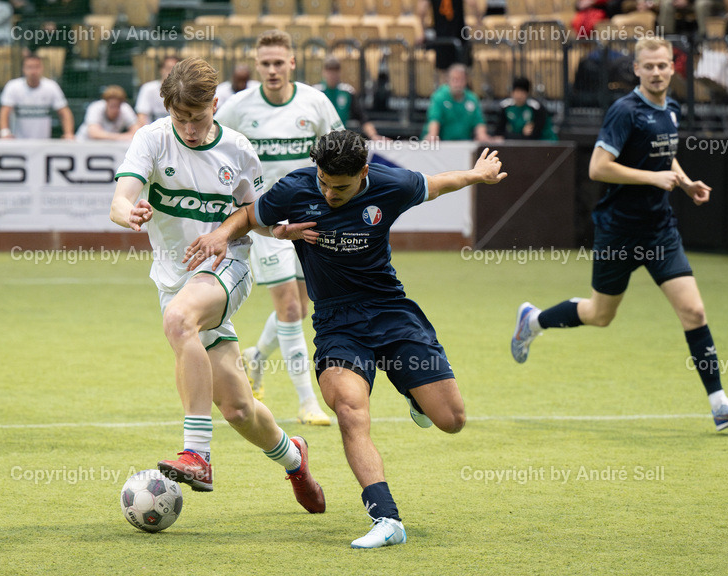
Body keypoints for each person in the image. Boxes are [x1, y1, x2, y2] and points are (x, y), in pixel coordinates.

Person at [184, 130, 507, 548]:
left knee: (451, 420)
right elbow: (248, 216)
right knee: (351, 411)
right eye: (323, 182)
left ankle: (415, 395)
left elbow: (438, 183)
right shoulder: (297, 188)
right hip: (337, 324)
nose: (330, 193)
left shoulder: (393, 185)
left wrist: (477, 174)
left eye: (341, 187)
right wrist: (227, 235)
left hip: (391, 311)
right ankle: (386, 519)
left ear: (364, 174)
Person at [109, 56, 325, 513]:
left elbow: (256, 216)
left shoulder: (239, 150)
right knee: (238, 410)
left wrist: (281, 229)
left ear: (215, 105)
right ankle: (294, 457)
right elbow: (121, 196)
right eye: (180, 118)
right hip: (175, 279)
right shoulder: (151, 139)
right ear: (167, 109)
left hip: (230, 266)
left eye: (198, 117)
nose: (189, 128)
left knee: (179, 319)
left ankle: (198, 455)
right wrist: (128, 212)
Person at [510, 37, 728, 432]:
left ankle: (720, 405)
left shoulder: (671, 109)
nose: (657, 72)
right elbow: (598, 167)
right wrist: (653, 177)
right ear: (638, 71)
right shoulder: (624, 111)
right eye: (650, 67)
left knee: (693, 311)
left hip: (660, 230)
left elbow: (662, 153)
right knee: (599, 314)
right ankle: (534, 321)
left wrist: (684, 181)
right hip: (619, 231)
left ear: (672, 68)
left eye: (663, 65)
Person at [216, 29, 343, 426]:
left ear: (291, 63)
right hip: (264, 220)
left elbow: (338, 152)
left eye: (278, 63)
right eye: (265, 64)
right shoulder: (237, 108)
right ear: (256, 66)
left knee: (301, 307)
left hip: (311, 218)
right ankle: (308, 403)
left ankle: (256, 357)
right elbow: (211, 147)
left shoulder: (315, 102)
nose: (272, 70)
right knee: (288, 307)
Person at [0, 54, 74, 139]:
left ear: (42, 68)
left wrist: (68, 133)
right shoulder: (13, 86)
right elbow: (4, 112)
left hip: (44, 143)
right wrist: (4, 132)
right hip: (18, 143)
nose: (33, 71)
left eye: (37, 67)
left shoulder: (51, 86)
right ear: (23, 69)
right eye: (29, 67)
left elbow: (64, 112)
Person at [313, 56, 383, 141]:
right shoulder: (315, 92)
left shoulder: (347, 92)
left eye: (336, 71)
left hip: (339, 140)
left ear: (340, 72)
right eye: (329, 71)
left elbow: (362, 118)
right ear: (324, 72)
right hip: (318, 140)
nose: (332, 74)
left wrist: (374, 136)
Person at [422, 63, 492, 142]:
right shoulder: (439, 97)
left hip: (464, 143)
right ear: (448, 80)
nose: (458, 84)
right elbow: (434, 119)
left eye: (461, 80)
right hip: (443, 143)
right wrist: (432, 135)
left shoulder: (472, 98)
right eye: (454, 80)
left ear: (466, 81)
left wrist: (482, 136)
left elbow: (479, 122)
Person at [494, 77, 557, 141]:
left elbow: (535, 134)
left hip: (544, 142)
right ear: (512, 92)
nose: (519, 95)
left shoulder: (537, 108)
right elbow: (498, 133)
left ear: (527, 93)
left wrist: (509, 135)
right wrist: (521, 133)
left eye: (522, 92)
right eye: (517, 91)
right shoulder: (505, 107)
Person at [134, 55, 178, 127]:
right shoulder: (148, 88)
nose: (171, 72)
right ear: (161, 69)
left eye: (174, 69)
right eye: (168, 68)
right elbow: (142, 117)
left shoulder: (184, 91)